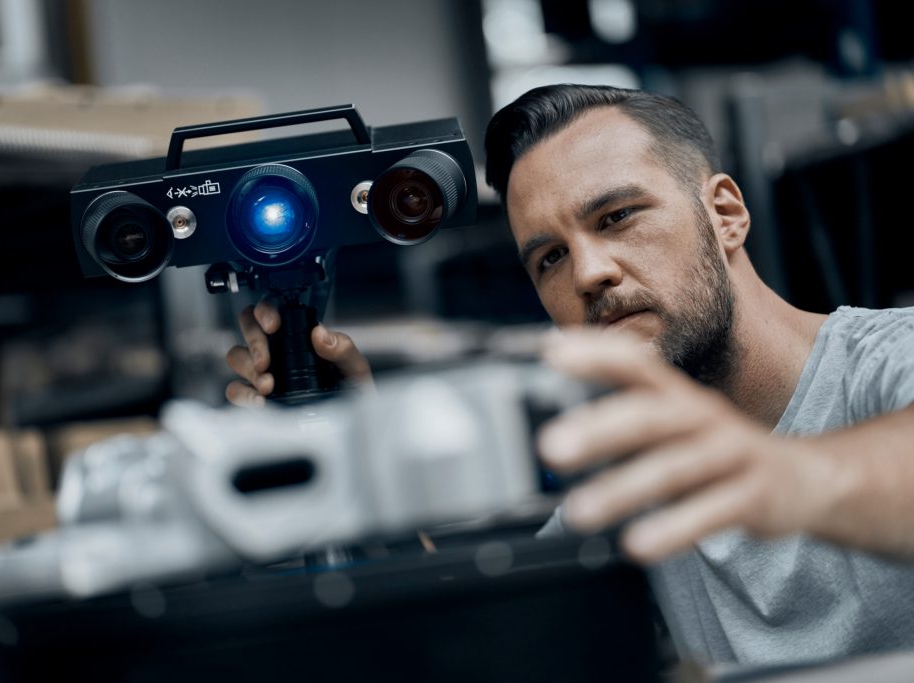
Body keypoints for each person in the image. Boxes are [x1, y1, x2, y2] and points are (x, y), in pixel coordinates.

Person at [226, 84, 914, 666]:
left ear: (725, 214)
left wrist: (771, 473)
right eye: (549, 259)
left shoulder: (887, 362)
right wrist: (359, 455)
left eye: (616, 217)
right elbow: (501, 643)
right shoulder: (631, 466)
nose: (589, 273)